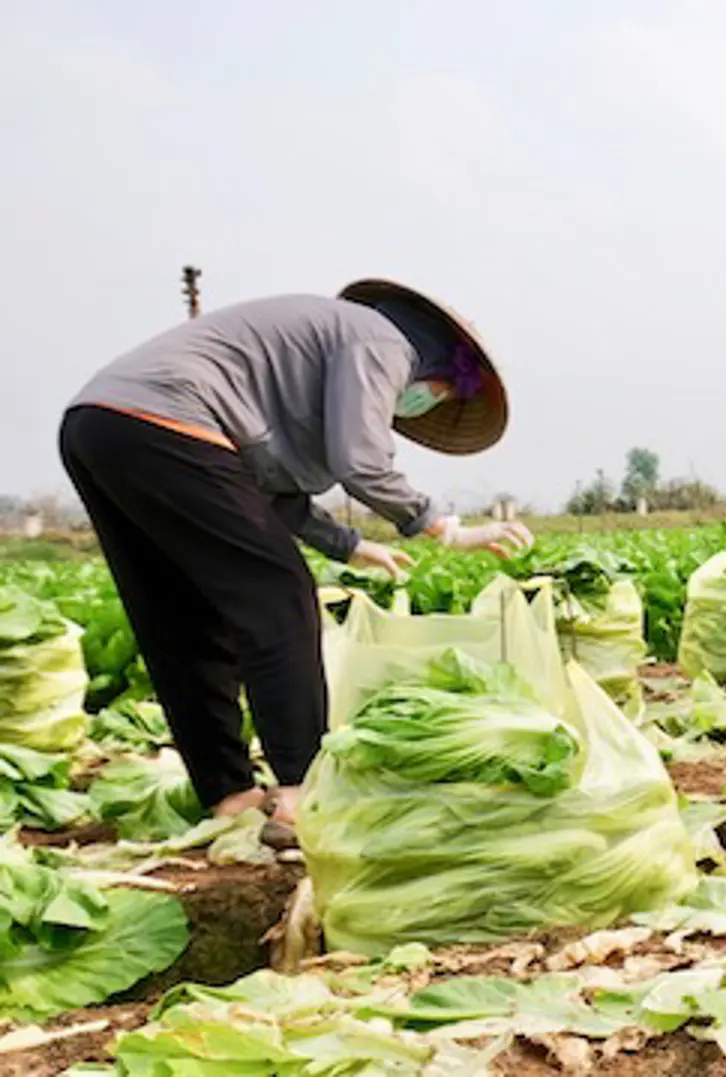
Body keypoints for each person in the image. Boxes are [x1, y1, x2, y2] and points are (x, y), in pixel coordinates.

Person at [60, 279, 535, 839]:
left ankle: (229, 794)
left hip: (98, 424)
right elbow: (360, 460)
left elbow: (260, 489)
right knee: (279, 596)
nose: (419, 403)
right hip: (171, 420)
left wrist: (350, 545)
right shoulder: (381, 343)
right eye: (439, 394)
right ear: (438, 371)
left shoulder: (314, 355)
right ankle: (301, 789)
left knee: (179, 617)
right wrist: (442, 527)